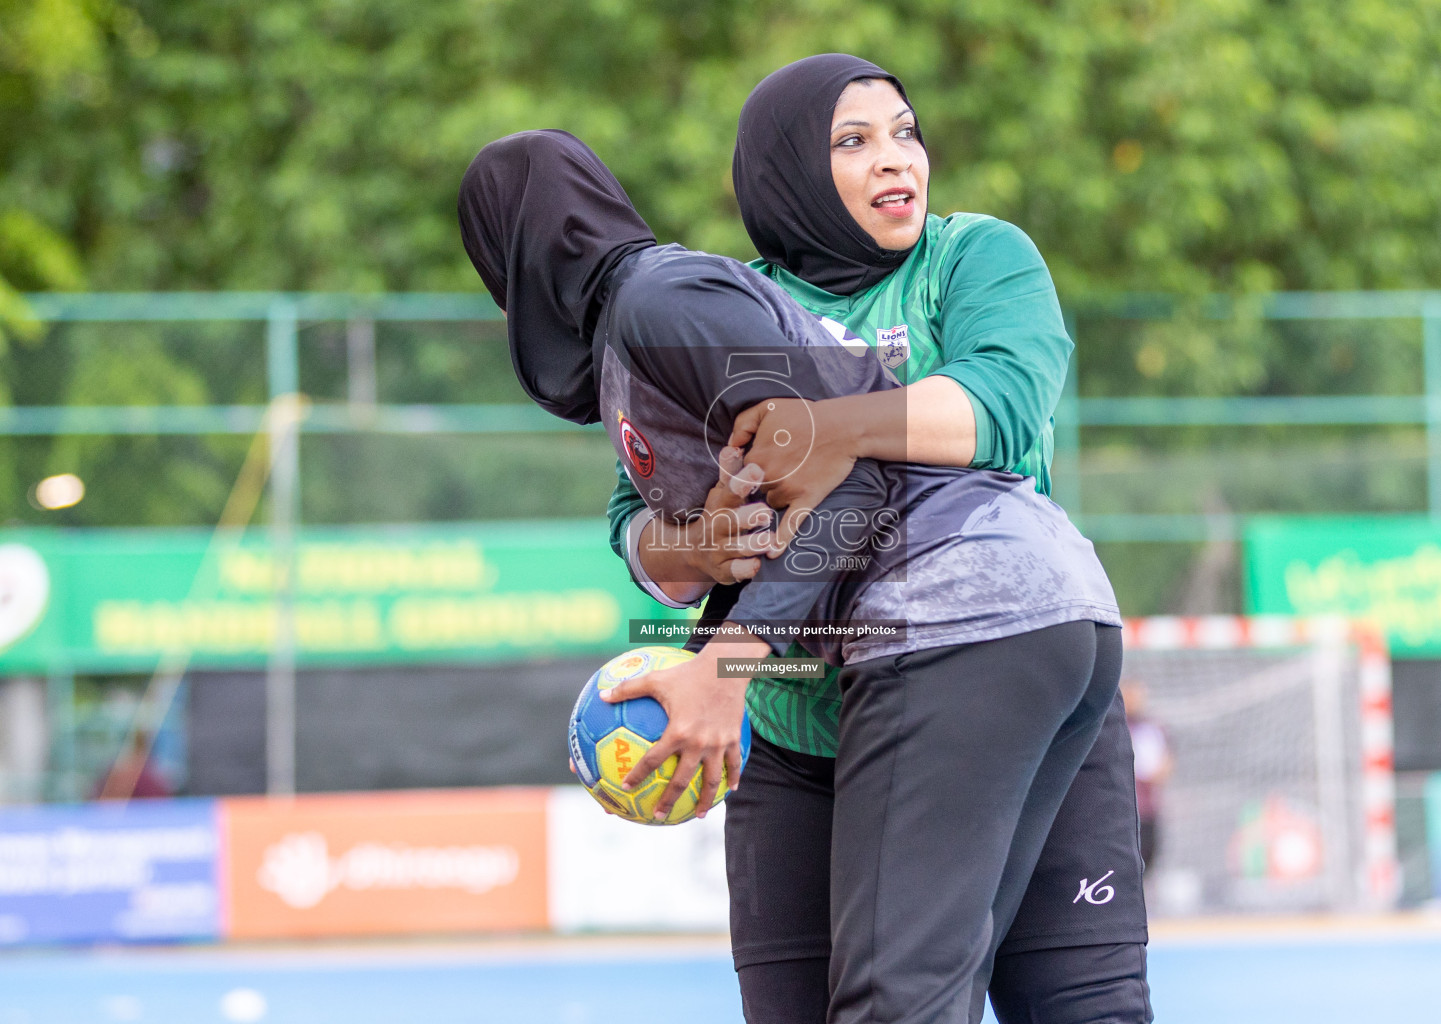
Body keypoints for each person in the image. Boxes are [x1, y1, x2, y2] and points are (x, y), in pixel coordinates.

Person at [459, 129, 1124, 1024]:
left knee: (941, 1003)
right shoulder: (656, 321)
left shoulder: (672, 298)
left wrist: (726, 664)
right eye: (853, 139)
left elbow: (851, 471)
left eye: (902, 133)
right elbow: (656, 520)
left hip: (965, 623)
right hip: (876, 669)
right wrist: (695, 552)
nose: (894, 158)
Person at [1124, 678, 1173, 874]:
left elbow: (1167, 764)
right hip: (1124, 810)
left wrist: (1160, 770)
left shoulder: (1153, 728)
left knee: (1147, 863)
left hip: (1148, 811)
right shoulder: (1114, 727)